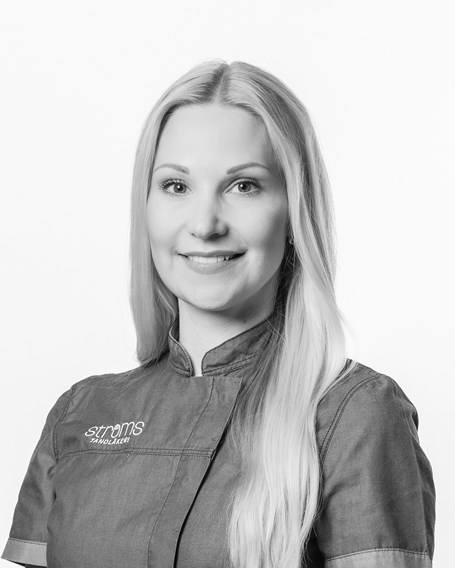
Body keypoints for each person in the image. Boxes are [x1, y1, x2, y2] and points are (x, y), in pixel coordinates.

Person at [1, 60, 435, 568]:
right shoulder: (81, 413)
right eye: (176, 186)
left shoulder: (353, 413)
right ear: (146, 206)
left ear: (295, 212)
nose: (205, 225)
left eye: (244, 185)